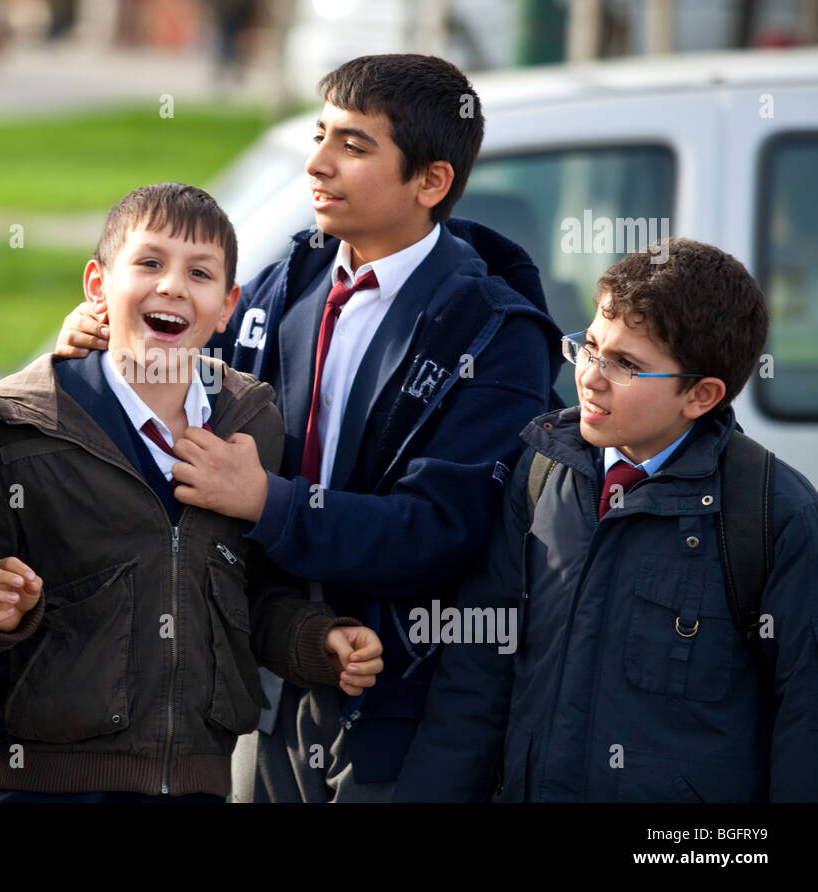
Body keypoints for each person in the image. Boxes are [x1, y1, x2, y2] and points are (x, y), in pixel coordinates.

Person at [58, 54, 560, 801]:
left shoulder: (497, 334)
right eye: (321, 133)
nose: (316, 163)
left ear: (430, 184)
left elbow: (440, 530)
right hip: (270, 683)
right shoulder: (286, 284)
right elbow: (181, 394)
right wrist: (104, 343)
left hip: (407, 700)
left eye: (354, 147)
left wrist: (267, 502)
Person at [0, 183, 383, 802]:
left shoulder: (250, 424)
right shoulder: (16, 426)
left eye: (199, 273)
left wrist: (319, 641)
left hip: (200, 785)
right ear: (97, 285)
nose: (173, 285)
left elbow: (254, 593)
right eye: (149, 263)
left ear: (228, 306)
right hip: (43, 786)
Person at [395, 240, 818, 802]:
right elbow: (475, 681)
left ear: (701, 395)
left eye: (626, 365)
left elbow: (805, 727)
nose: (591, 377)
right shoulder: (540, 472)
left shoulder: (772, 515)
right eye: (590, 347)